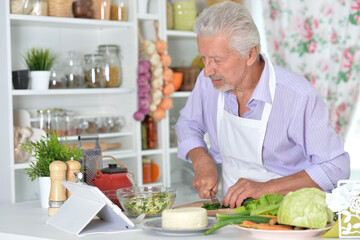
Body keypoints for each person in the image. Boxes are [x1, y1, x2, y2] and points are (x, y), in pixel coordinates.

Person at [175, 2, 350, 208]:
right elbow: (188, 124)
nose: (206, 70)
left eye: (216, 59)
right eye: (203, 58)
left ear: (250, 54)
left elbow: (336, 166)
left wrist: (265, 188)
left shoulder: (297, 96)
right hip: (232, 215)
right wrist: (201, 160)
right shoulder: (208, 83)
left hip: (289, 216)